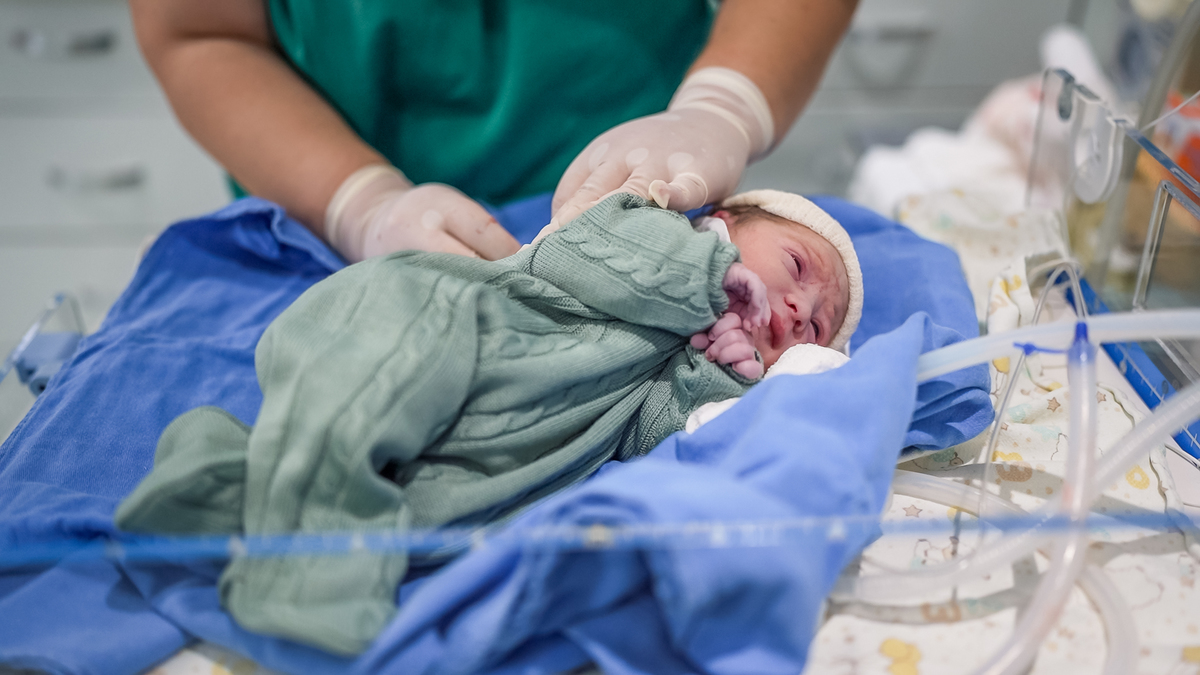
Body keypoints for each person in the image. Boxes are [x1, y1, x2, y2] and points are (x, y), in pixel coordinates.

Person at [116, 189, 863, 655]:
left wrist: (711, 379)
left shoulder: (698, 361)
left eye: (815, 326)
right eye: (797, 268)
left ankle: (221, 480)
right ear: (721, 223)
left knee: (443, 517)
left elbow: (647, 439)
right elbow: (581, 253)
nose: (798, 308)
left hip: (506, 440)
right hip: (442, 324)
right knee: (369, 403)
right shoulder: (651, 232)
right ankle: (305, 577)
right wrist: (703, 272)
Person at [128, 0, 859, 262]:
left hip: (652, 176)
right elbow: (199, 31)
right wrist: (357, 202)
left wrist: (721, 106)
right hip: (320, 207)